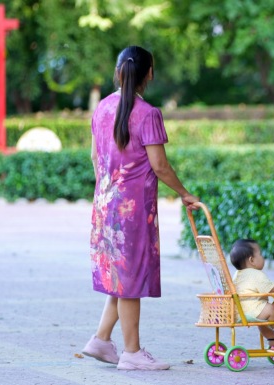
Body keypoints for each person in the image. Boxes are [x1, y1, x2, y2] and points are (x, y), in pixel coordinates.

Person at [82, 46, 200, 370]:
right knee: (130, 279)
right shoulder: (147, 113)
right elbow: (159, 165)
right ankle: (132, 353)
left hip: (105, 205)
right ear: (149, 73)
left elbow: (94, 158)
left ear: (118, 72)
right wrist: (184, 193)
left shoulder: (103, 108)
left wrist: (108, 188)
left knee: (121, 276)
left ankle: (101, 340)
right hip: (132, 211)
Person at [230, 239, 274, 350]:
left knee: (262, 321)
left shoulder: (237, 274)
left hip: (239, 311)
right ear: (252, 260)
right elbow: (271, 288)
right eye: (260, 254)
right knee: (270, 309)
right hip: (251, 309)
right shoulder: (255, 274)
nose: (263, 257)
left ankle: (273, 340)